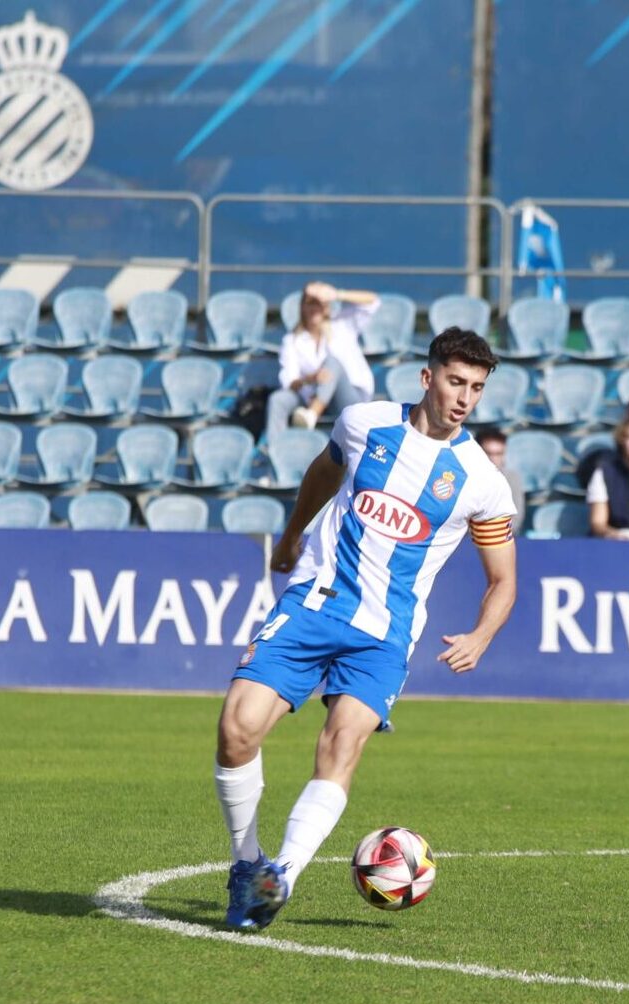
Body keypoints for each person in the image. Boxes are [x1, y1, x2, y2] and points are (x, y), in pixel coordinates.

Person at [211, 327, 519, 931]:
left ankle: (282, 877)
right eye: (455, 381)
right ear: (427, 378)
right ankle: (247, 863)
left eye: (477, 388)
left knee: (342, 741)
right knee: (236, 729)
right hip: (314, 603)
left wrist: (481, 635)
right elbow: (322, 475)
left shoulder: (481, 480)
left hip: (385, 633)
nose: (465, 398)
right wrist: (293, 534)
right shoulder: (363, 423)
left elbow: (503, 579)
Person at [267, 281, 380, 441]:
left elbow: (373, 302)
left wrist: (337, 294)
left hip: (349, 398)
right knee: (278, 399)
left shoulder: (342, 325)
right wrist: (311, 379)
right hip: (309, 395)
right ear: (302, 307)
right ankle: (276, 449)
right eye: (310, 303)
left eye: (319, 304)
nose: (315, 309)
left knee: (332, 362)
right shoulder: (292, 340)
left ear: (327, 307)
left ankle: (312, 414)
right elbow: (288, 381)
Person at [475, 427, 528, 521]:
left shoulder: (512, 478)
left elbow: (516, 516)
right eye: (488, 453)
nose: (493, 459)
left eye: (498, 454)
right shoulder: (463, 478)